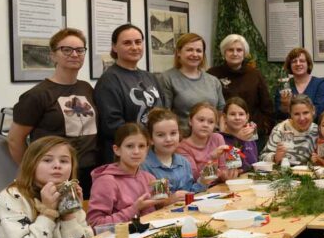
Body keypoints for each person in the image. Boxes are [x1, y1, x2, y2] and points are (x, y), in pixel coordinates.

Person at [8, 28, 98, 196]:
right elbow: (14, 140)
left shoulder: (86, 88)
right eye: (66, 50)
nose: (74, 54)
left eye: (80, 50)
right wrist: (33, 172)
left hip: (87, 172)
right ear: (53, 55)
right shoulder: (37, 95)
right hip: (54, 176)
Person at [94, 24, 162, 163]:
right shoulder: (109, 80)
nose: (134, 47)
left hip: (152, 151)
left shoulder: (150, 77)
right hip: (125, 157)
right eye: (127, 43)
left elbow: (163, 112)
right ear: (114, 47)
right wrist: (144, 141)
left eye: (138, 42)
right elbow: (111, 124)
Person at [207, 34, 274, 146]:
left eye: (239, 50)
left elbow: (267, 107)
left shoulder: (255, 75)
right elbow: (209, 105)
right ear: (224, 52)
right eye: (230, 50)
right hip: (223, 135)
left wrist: (261, 128)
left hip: (252, 135)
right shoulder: (212, 74)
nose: (235, 53)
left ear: (245, 53)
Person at [87, 123, 160, 226]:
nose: (136, 151)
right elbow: (95, 224)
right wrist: (135, 209)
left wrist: (167, 202)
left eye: (141, 146)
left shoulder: (149, 178)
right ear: (117, 150)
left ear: (147, 149)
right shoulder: (106, 181)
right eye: (129, 146)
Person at [158, 33, 225, 133]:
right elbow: (164, 115)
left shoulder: (213, 81)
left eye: (199, 51)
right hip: (183, 140)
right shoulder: (167, 78)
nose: (194, 54)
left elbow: (221, 111)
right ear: (179, 52)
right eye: (189, 50)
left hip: (210, 139)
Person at [141, 108, 205, 202]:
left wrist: (203, 182)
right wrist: (169, 200)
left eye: (173, 133)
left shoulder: (184, 162)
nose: (168, 139)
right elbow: (146, 204)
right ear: (150, 139)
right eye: (161, 135)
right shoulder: (144, 166)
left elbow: (190, 193)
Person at [176, 102, 237, 182]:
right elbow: (194, 178)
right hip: (199, 191)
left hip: (218, 188)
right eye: (201, 120)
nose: (205, 125)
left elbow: (223, 169)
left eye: (211, 122)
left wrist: (229, 173)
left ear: (215, 125)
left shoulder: (217, 138)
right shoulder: (182, 147)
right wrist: (211, 157)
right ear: (190, 121)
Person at [274, 47, 324, 121]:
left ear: (308, 64)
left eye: (302, 61)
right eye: (294, 61)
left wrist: (293, 111)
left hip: (313, 129)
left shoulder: (320, 83)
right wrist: (285, 105)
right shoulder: (283, 85)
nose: (298, 64)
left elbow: (318, 112)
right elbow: (279, 115)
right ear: (290, 65)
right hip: (289, 130)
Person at [261, 95, 318, 165]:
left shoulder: (317, 130)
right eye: (296, 114)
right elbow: (262, 157)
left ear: (313, 111)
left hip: (308, 173)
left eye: (306, 113)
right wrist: (275, 157)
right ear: (290, 114)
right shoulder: (280, 129)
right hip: (281, 173)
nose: (302, 118)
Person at [220, 97, 259, 172]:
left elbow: (254, 164)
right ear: (225, 117)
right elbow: (235, 166)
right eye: (232, 114)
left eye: (241, 114)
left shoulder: (250, 139)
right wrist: (240, 141)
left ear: (247, 117)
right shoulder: (220, 139)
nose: (237, 117)